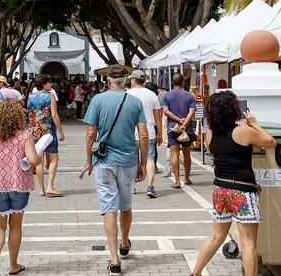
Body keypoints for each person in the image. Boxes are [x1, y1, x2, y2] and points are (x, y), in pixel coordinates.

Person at [191, 91, 275, 276]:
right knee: (248, 243)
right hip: (242, 191)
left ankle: (195, 272)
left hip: (220, 189)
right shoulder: (243, 131)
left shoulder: (210, 134)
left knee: (216, 236)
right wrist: (255, 124)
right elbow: (270, 142)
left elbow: (213, 151)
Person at [79, 65, 148, 276]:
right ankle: (124, 242)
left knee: (109, 207)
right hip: (128, 160)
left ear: (108, 81)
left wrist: (88, 160)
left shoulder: (98, 100)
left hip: (104, 160)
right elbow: (144, 135)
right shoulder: (135, 102)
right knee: (125, 206)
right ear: (126, 81)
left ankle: (114, 259)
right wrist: (143, 162)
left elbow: (91, 134)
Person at [0, 100, 40, 276]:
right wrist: (38, 155)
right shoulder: (24, 135)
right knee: (15, 226)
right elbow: (33, 160)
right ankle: (13, 265)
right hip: (19, 185)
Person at [27, 74, 65, 197]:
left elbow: (29, 113)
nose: (51, 85)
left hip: (34, 130)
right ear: (44, 84)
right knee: (54, 159)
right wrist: (60, 131)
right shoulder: (50, 96)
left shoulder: (31, 96)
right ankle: (50, 187)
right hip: (48, 130)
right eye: (49, 83)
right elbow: (54, 115)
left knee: (39, 160)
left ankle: (41, 189)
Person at [127, 70, 163, 198]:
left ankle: (132, 186)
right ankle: (150, 186)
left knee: (132, 160)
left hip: (131, 133)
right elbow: (158, 117)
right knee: (150, 159)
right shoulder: (152, 95)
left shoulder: (127, 94)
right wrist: (160, 133)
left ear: (133, 80)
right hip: (149, 132)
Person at [162, 74, 196, 188]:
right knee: (187, 154)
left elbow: (166, 111)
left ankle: (177, 181)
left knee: (174, 154)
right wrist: (185, 123)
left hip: (172, 128)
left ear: (172, 83)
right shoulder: (189, 96)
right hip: (187, 129)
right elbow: (192, 112)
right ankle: (186, 178)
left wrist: (177, 120)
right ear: (183, 83)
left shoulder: (166, 96)